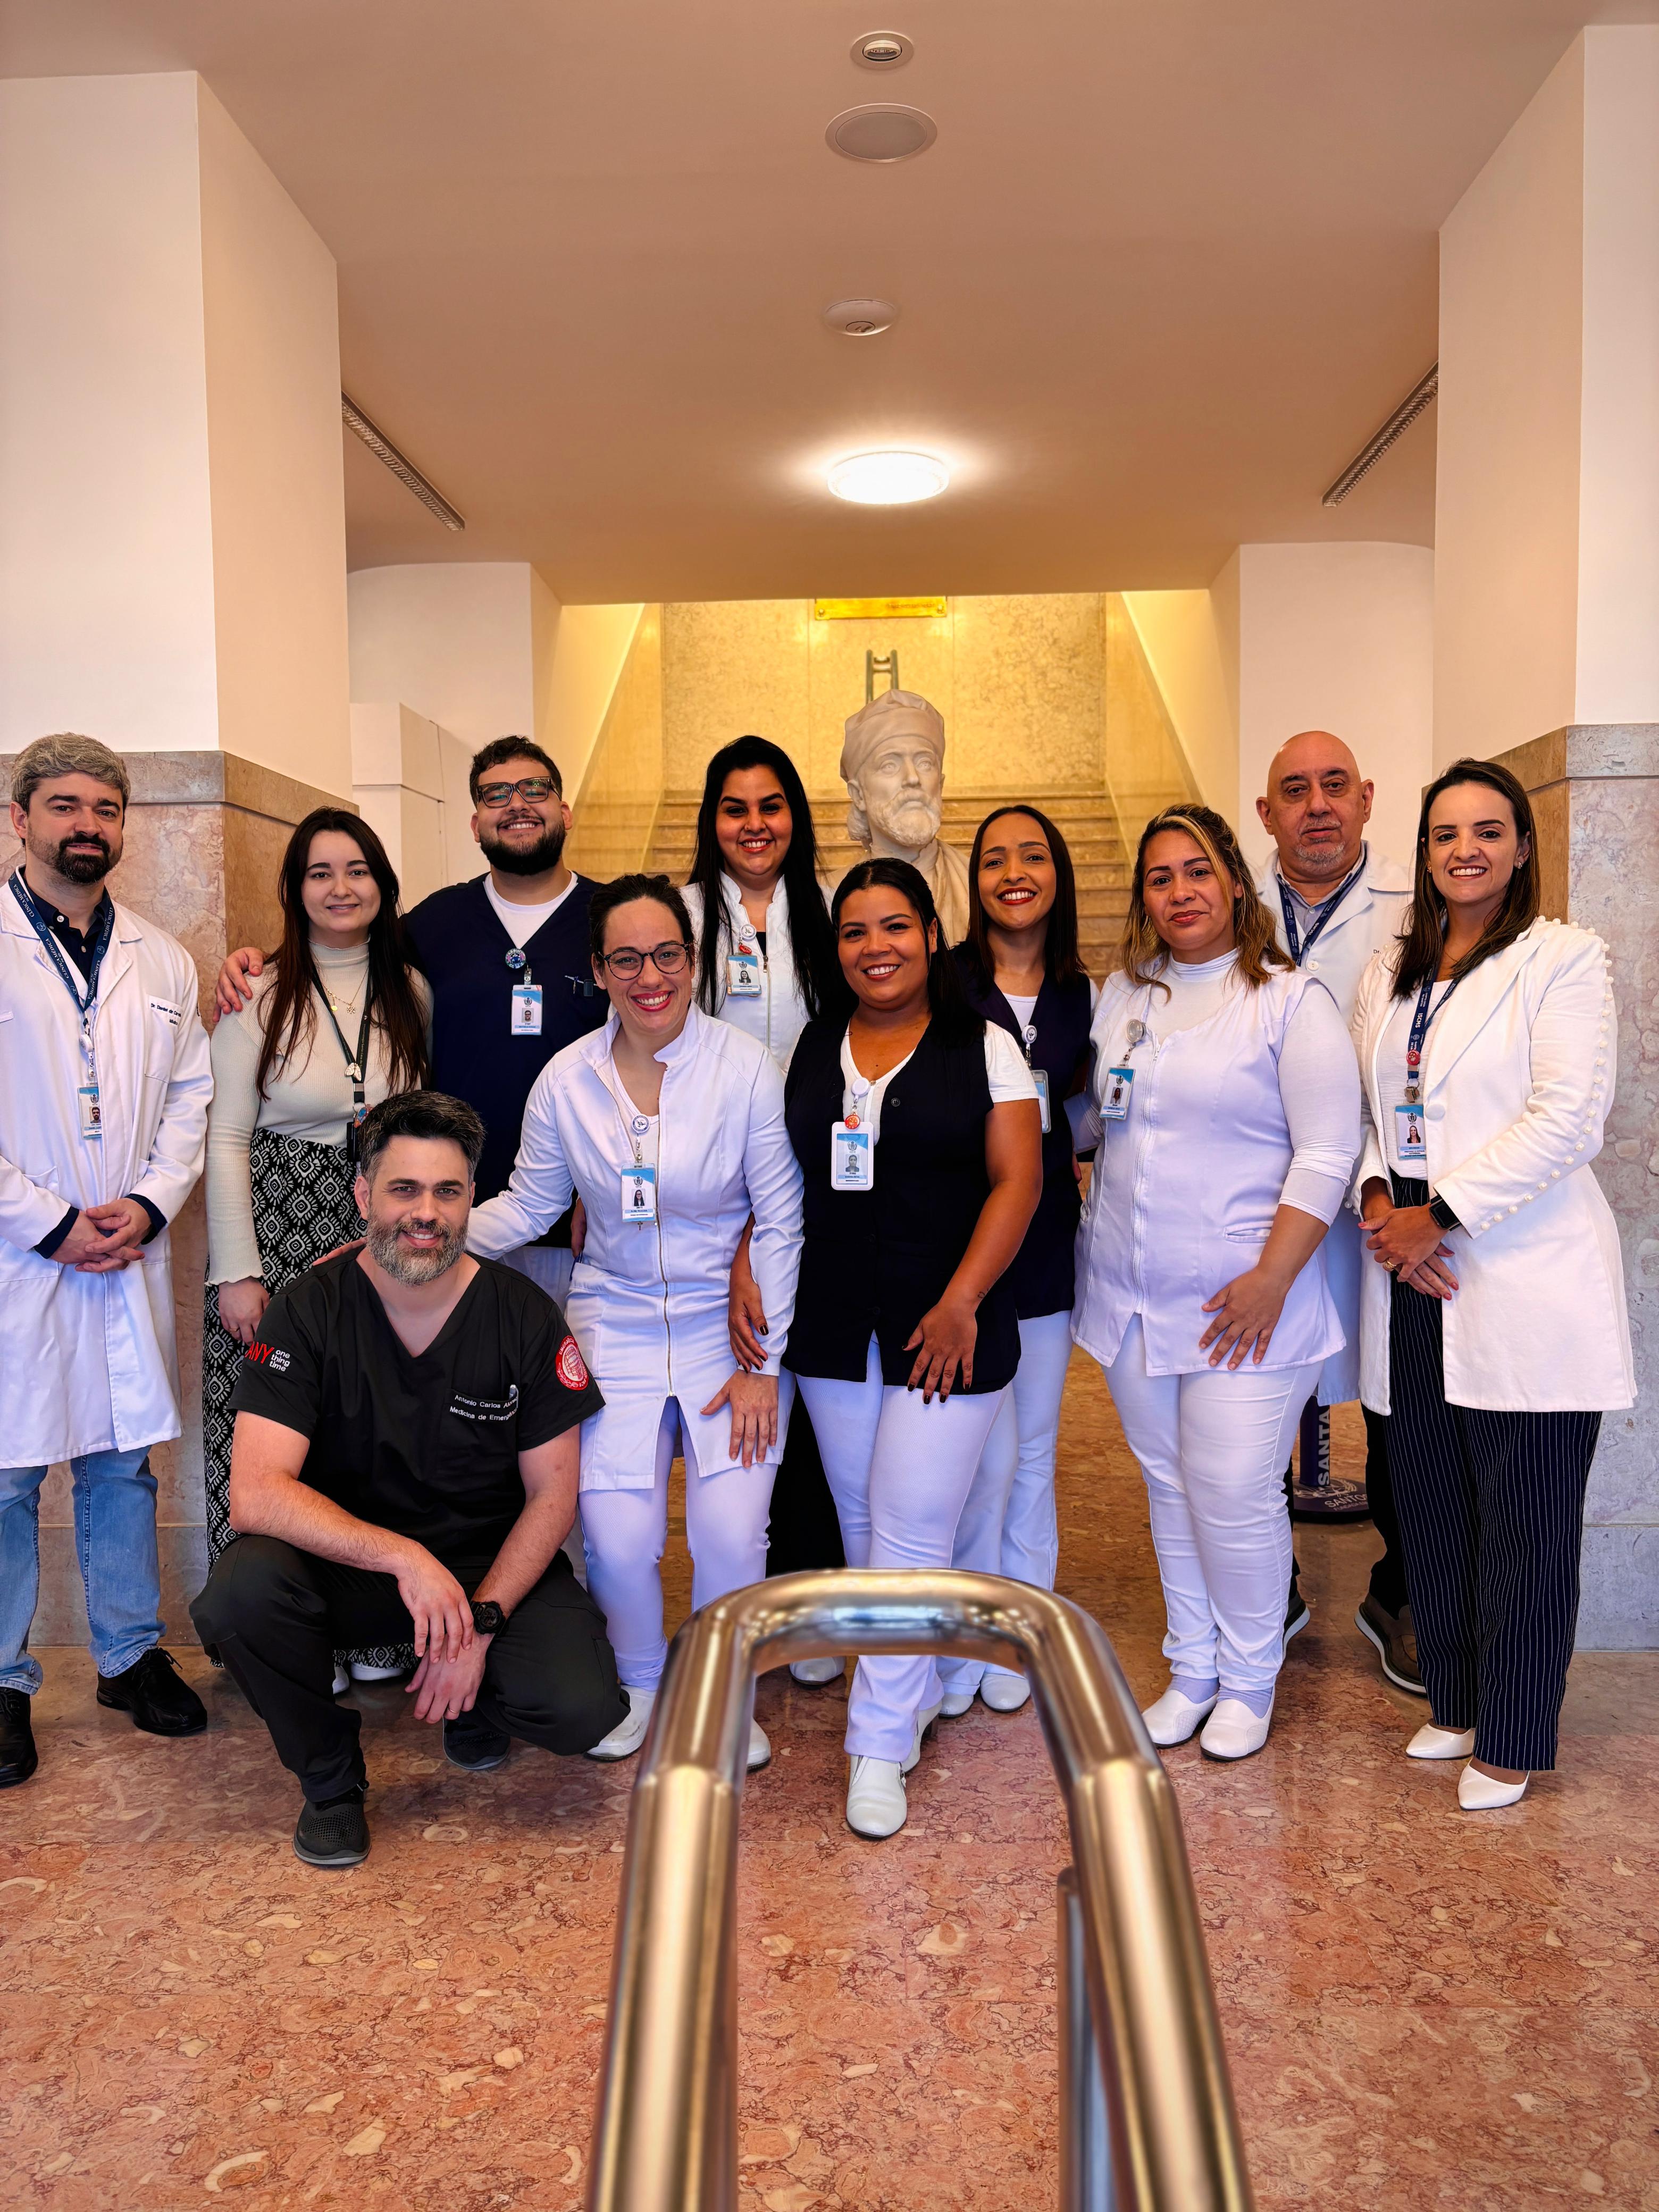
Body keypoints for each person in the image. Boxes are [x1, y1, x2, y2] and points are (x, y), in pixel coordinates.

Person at [190, 1092, 625, 1869]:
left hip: (484, 1567)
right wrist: (403, 1558)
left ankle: (476, 1696)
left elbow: (553, 1497)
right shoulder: (308, 1311)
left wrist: (478, 1624)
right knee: (240, 1596)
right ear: (364, 1196)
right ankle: (330, 1782)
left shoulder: (523, 1315)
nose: (426, 1213)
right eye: (404, 1189)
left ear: (470, 1199)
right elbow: (254, 1494)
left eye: (447, 1191)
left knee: (581, 1707)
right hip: (354, 1568)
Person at [464, 874, 802, 1773]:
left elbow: (783, 1217)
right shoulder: (566, 1081)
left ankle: (724, 1690)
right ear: (598, 969)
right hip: (611, 1316)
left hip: (727, 1325)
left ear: (692, 960)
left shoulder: (744, 1069)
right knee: (617, 1537)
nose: (650, 977)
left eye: (666, 955)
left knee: (731, 1535)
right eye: (627, 959)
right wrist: (425, 1235)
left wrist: (765, 1365)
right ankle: (641, 1682)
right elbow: (529, 1203)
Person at [1351, 758, 1632, 1812]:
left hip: (1519, 1270)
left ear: (1520, 847)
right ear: (1425, 852)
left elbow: (1569, 1117)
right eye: (1445, 833)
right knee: (1430, 1501)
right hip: (1411, 1265)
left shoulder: (1563, 959)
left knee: (1527, 1520)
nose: (1464, 850)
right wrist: (1381, 1204)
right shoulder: (1393, 970)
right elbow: (1370, 1114)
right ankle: (1458, 1701)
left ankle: (1512, 1736)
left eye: (1487, 831)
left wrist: (1438, 1214)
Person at [1073, 805, 1359, 1762]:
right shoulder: (1127, 993)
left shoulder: (1288, 1000)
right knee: (1168, 1485)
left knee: (1233, 1490)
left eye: (1197, 871)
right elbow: (1101, 1123)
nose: (1181, 892)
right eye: (1160, 878)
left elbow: (1328, 1151)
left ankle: (1247, 1679)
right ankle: (1192, 1667)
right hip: (1132, 1296)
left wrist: (1273, 1277)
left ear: (1236, 882)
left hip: (1247, 1302)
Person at [783, 859, 1043, 1838]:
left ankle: (877, 1741)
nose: (876, 947)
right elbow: (787, 1175)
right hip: (832, 1326)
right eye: (855, 931)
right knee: (864, 1525)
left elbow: (1019, 1183)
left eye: (895, 926)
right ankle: (920, 1681)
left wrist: (963, 1299)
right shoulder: (817, 1044)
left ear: (931, 935)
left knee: (908, 1527)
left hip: (949, 1329)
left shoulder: (985, 1045)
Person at [0, 735, 214, 1790]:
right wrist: (47, 1222)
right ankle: (3, 1681)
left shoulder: (161, 958)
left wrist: (149, 1202)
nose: (88, 824)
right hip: (16, 1255)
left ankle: (130, 1657)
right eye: (65, 805)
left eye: (106, 808)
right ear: (20, 819)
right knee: (5, 1475)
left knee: (123, 1462)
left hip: (124, 1244)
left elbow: (190, 1095)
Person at [216, 737, 607, 1300]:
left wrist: (608, 1183)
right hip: (441, 1222)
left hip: (580, 1224)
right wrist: (255, 963)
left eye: (534, 788)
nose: (517, 803)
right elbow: (343, 948)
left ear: (565, 811)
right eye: (496, 794)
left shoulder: (610, 920)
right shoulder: (433, 926)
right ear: (475, 824)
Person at [204, 809, 431, 1688]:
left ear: (383, 884)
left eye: (358, 869)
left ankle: (372, 1628)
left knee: (371, 1429)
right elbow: (226, 1137)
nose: (341, 888)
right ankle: (286, 1636)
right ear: (294, 890)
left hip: (378, 1233)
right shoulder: (256, 996)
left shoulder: (412, 992)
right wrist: (237, 1270)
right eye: (320, 872)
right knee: (275, 1433)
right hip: (278, 1228)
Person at [1254, 730, 1418, 1689]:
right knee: (1253, 1384)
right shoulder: (1229, 903)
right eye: (1294, 790)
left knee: (1397, 1394)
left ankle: (1398, 1593)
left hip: (1378, 1189)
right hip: (1262, 1191)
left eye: (1333, 787)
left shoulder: (1416, 903)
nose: (1316, 806)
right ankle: (1263, 1579)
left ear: (1366, 798)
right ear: (1266, 813)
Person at [684, 736, 849, 1673]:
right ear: (712, 820)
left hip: (822, 1179)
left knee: (814, 1396)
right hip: (709, 1185)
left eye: (772, 805)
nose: (755, 825)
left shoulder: (829, 911)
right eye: (735, 808)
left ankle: (812, 1599)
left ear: (797, 815)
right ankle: (748, 1598)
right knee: (744, 1395)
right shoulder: (681, 916)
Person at [941, 806, 1096, 1716]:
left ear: (1058, 874)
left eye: (1033, 857)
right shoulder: (948, 982)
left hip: (1043, 1250)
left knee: (1032, 1451)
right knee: (974, 1457)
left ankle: (1021, 1631)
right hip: (960, 1246)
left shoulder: (1087, 993)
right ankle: (966, 1633)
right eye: (994, 860)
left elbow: (1085, 1109)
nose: (1014, 874)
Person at [839, 689, 973, 945]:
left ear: (940, 785)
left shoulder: (977, 885)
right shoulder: (829, 894)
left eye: (925, 763)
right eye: (890, 765)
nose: (913, 778)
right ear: (859, 795)